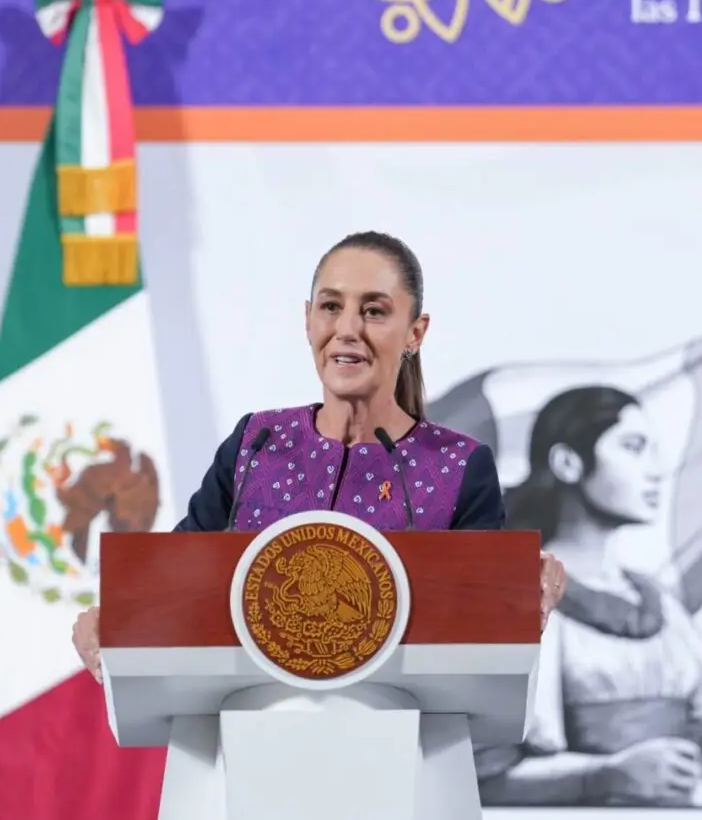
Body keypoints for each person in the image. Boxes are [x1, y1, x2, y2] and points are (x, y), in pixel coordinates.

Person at [73, 231, 567, 680]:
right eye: (331, 307)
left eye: (374, 311)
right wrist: (113, 618)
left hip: (400, 754)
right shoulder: (255, 443)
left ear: (415, 333)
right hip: (248, 741)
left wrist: (523, 592)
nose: (347, 328)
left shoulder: (458, 467)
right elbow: (174, 579)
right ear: (307, 320)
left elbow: (484, 628)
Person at [475, 385, 702, 807]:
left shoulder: (658, 606)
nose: (657, 470)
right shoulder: (513, 595)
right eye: (633, 447)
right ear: (568, 463)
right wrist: (602, 776)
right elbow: (482, 781)